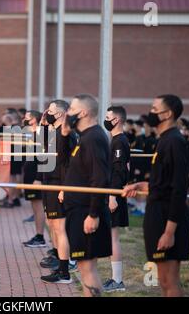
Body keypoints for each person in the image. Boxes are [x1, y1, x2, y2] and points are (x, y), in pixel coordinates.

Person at [123, 94, 189, 297]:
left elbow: (179, 190)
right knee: (162, 280)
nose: (151, 113)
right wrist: (143, 184)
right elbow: (164, 183)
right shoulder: (164, 141)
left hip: (166, 219)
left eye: (154, 109)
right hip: (156, 215)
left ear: (168, 114)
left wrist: (169, 232)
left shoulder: (174, 141)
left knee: (169, 281)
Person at [61, 94, 112, 296]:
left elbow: (100, 179)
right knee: (84, 267)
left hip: (86, 213)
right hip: (77, 210)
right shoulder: (84, 137)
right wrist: (65, 134)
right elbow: (66, 163)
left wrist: (93, 214)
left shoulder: (93, 138)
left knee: (87, 267)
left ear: (83, 113)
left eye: (71, 110)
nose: (67, 114)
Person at [37, 100, 77, 283]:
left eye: (51, 111)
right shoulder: (53, 131)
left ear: (60, 114)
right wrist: (43, 124)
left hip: (59, 184)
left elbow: (70, 164)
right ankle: (60, 264)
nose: (47, 113)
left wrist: (64, 188)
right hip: (49, 183)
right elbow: (41, 146)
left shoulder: (66, 133)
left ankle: (65, 271)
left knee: (60, 228)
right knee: (53, 225)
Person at [102, 106, 130, 292]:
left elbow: (119, 172)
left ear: (117, 120)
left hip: (115, 195)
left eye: (108, 117)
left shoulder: (119, 141)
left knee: (113, 238)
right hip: (112, 193)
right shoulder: (116, 140)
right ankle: (115, 278)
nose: (105, 120)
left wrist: (113, 196)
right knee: (110, 237)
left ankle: (118, 281)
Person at [21, 110, 46, 248]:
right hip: (29, 175)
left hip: (36, 176)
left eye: (27, 118)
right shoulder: (31, 134)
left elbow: (43, 158)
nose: (24, 119)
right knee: (35, 206)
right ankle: (38, 235)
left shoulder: (41, 134)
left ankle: (40, 236)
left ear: (35, 119)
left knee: (39, 206)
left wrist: (38, 178)